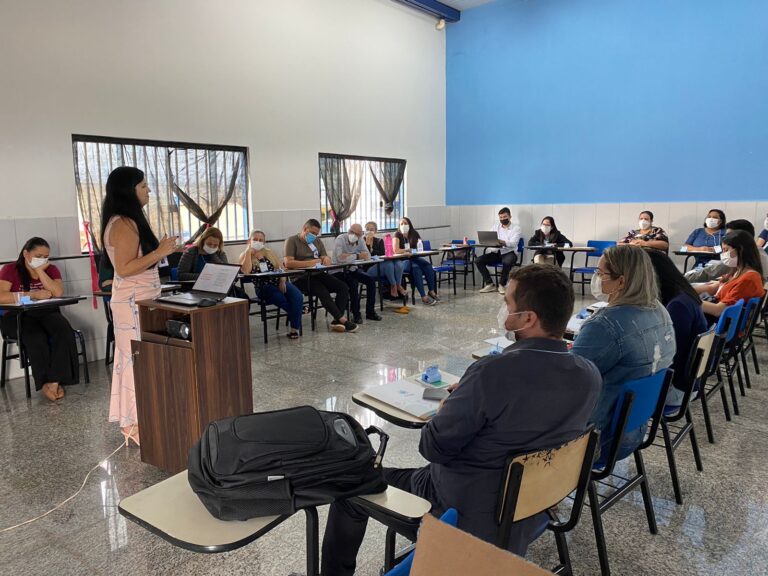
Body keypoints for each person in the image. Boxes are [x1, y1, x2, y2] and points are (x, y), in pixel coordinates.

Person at [321, 265, 602, 575]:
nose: (503, 310)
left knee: (348, 484)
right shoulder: (588, 374)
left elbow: (433, 448)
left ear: (529, 318)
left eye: (507, 303)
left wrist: (448, 406)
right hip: (535, 508)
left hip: (462, 512)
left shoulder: (492, 372)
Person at [571, 244, 675, 460]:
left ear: (621, 281)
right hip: (633, 430)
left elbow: (567, 381)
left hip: (597, 440)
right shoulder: (659, 309)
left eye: (601, 274)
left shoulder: (605, 325)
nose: (597, 279)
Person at [101, 166, 178, 446]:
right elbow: (123, 267)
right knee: (135, 362)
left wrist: (162, 253)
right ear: (128, 190)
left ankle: (140, 418)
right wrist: (159, 252)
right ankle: (132, 424)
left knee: (139, 361)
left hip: (141, 299)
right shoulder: (122, 223)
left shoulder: (131, 220)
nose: (148, 190)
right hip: (131, 303)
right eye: (143, 186)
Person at [0, 238, 79, 402]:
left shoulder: (51, 269)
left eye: (45, 256)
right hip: (16, 316)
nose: (42, 259)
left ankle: (55, 380)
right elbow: (1, 296)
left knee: (64, 331)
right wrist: (32, 294)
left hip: (45, 312)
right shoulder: (10, 269)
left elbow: (57, 293)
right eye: (38, 255)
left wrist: (41, 271)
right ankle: (43, 382)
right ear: (25, 254)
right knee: (35, 336)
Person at [646, 250, 708, 408]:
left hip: (675, 389)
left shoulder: (677, 306)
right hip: (685, 384)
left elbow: (667, 355)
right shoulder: (683, 295)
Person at [284, 219, 358, 333]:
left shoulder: (317, 241)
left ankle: (336, 320)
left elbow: (324, 256)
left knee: (342, 287)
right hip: (300, 277)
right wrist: (311, 262)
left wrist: (326, 259)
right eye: (312, 233)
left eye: (316, 234)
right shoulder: (292, 240)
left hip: (318, 273)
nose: (314, 236)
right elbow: (288, 263)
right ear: (305, 229)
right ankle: (343, 320)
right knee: (322, 290)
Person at [239, 229, 303, 339]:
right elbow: (245, 271)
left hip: (278, 282)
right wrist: (249, 253)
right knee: (279, 297)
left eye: (261, 240)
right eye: (255, 239)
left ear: (264, 242)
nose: (258, 242)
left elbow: (281, 268)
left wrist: (282, 280)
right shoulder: (244, 255)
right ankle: (298, 311)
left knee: (297, 296)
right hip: (263, 287)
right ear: (249, 241)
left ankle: (294, 329)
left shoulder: (269, 252)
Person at [694, 230, 766, 320]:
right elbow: (712, 288)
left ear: (741, 250)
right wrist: (685, 290)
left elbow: (718, 310)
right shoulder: (737, 271)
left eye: (726, 250)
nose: (723, 254)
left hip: (719, 323)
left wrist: (691, 301)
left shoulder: (749, 278)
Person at [685, 220, 768, 283]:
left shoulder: (740, 257)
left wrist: (680, 279)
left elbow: (709, 273)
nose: (725, 239)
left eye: (729, 236)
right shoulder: (759, 252)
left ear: (741, 238)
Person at [332, 223, 382, 323]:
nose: (353, 235)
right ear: (348, 231)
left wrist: (350, 256)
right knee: (353, 283)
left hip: (352, 269)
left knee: (371, 281)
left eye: (357, 234)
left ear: (360, 235)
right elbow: (340, 258)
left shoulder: (360, 240)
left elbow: (367, 255)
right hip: (338, 271)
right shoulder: (340, 239)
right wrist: (357, 256)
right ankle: (356, 314)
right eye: (351, 232)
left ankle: (370, 312)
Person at [475, 207, 522, 293]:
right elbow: (490, 238)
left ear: (510, 216)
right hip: (496, 252)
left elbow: (513, 244)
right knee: (478, 260)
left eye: (505, 217)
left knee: (507, 262)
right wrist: (486, 241)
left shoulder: (516, 228)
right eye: (501, 217)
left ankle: (502, 285)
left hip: (509, 252)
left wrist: (502, 242)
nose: (502, 219)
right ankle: (490, 284)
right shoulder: (495, 226)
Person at [394, 217, 439, 305]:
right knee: (416, 268)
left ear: (409, 224)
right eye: (402, 224)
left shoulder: (414, 233)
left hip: (415, 258)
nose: (404, 225)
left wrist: (414, 251)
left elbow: (419, 247)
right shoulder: (397, 235)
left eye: (405, 223)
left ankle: (431, 291)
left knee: (428, 265)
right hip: (403, 261)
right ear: (399, 226)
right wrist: (407, 251)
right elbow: (396, 250)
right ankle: (423, 296)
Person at [363, 221, 407, 301]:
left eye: (371, 229)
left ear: (375, 231)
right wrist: (368, 245)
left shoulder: (379, 241)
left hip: (381, 267)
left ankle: (397, 284)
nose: (369, 231)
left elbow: (382, 254)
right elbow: (365, 255)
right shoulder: (361, 241)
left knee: (398, 264)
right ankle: (394, 285)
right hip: (368, 269)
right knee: (388, 264)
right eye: (367, 229)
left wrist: (373, 251)